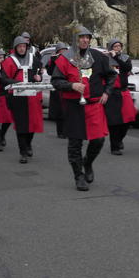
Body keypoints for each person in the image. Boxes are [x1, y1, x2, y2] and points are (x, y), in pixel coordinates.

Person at [49, 28, 115, 191]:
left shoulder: (99, 57)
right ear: (75, 39)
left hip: (94, 105)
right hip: (74, 107)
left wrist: (107, 92)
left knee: (99, 140)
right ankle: (78, 176)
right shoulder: (65, 59)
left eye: (87, 37)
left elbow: (112, 76)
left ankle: (88, 162)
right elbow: (56, 81)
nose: (85, 40)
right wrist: (71, 85)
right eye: (81, 37)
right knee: (75, 143)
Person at [3, 33, 44, 164]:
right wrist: (17, 83)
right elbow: (4, 79)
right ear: (15, 48)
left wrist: (39, 78)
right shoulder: (9, 61)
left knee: (32, 124)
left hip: (32, 97)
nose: (22, 49)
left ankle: (28, 144)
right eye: (19, 46)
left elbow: (39, 74)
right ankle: (23, 152)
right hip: (17, 97)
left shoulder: (34, 59)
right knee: (21, 125)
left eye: (24, 46)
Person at [103, 39, 136, 156]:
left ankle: (119, 139)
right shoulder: (105, 58)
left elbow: (127, 68)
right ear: (110, 47)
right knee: (114, 122)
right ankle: (114, 147)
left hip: (123, 92)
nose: (117, 48)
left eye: (119, 46)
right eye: (115, 46)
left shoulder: (125, 57)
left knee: (128, 119)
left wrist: (117, 57)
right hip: (111, 93)